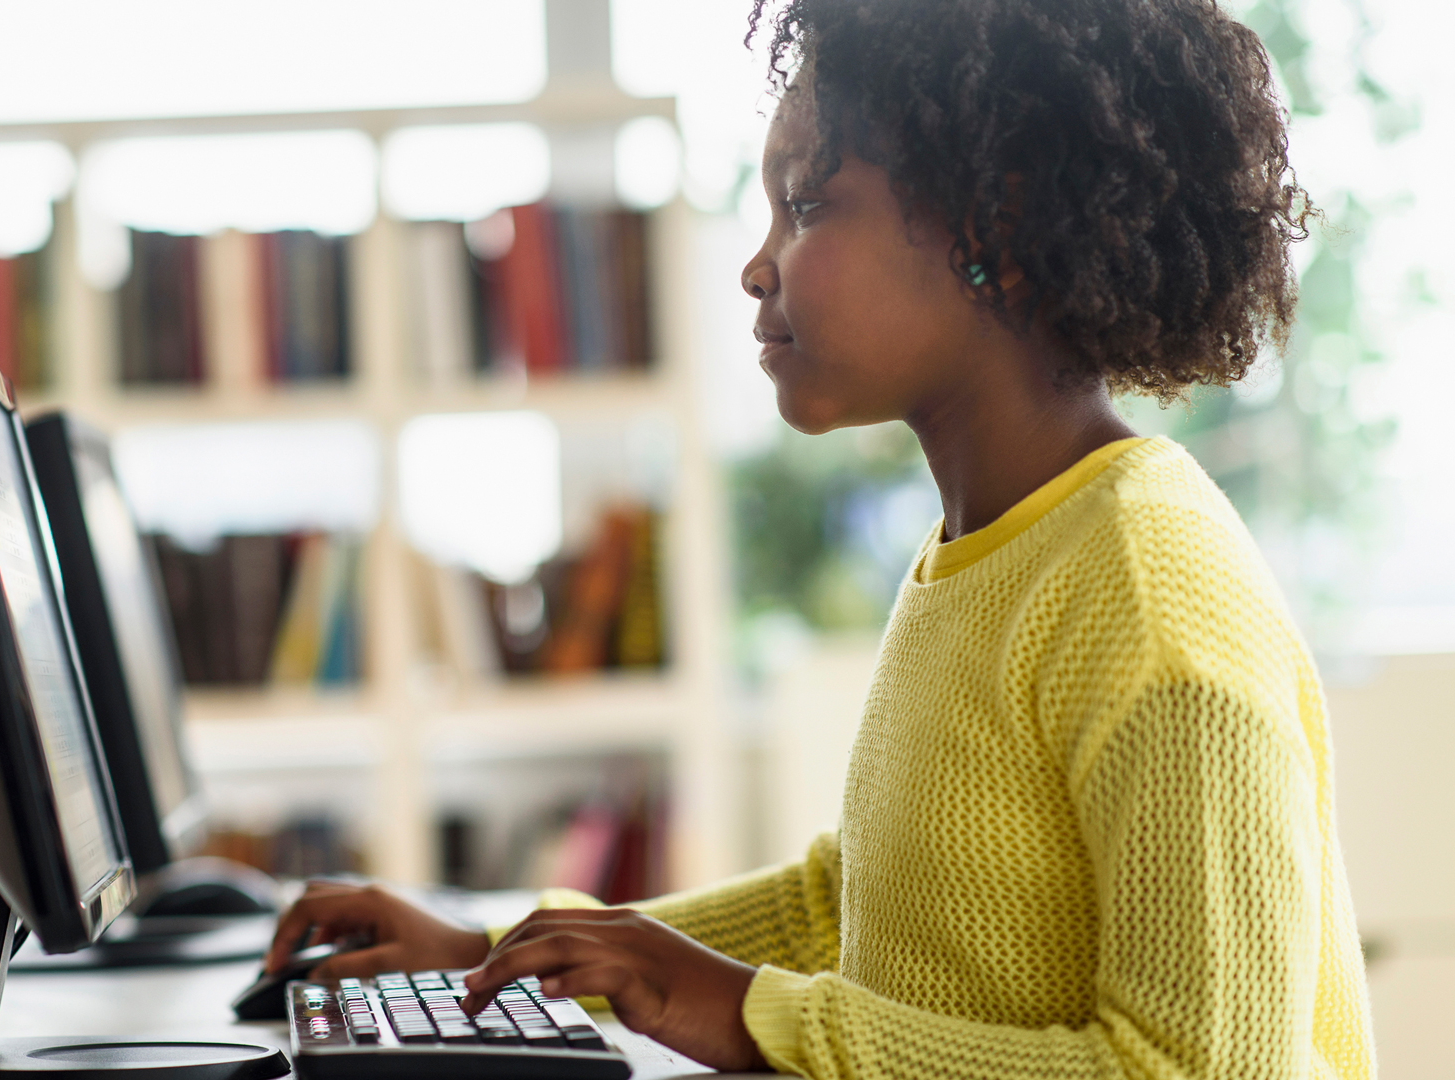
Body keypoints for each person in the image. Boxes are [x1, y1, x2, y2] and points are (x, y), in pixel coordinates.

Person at [262, 0, 1377, 1075]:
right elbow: (840, 906)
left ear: (996, 222)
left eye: (805, 204)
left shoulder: (1146, 590)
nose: (757, 265)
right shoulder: (985, 547)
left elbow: (1207, 1070)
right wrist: (507, 953)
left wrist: (755, 1018)